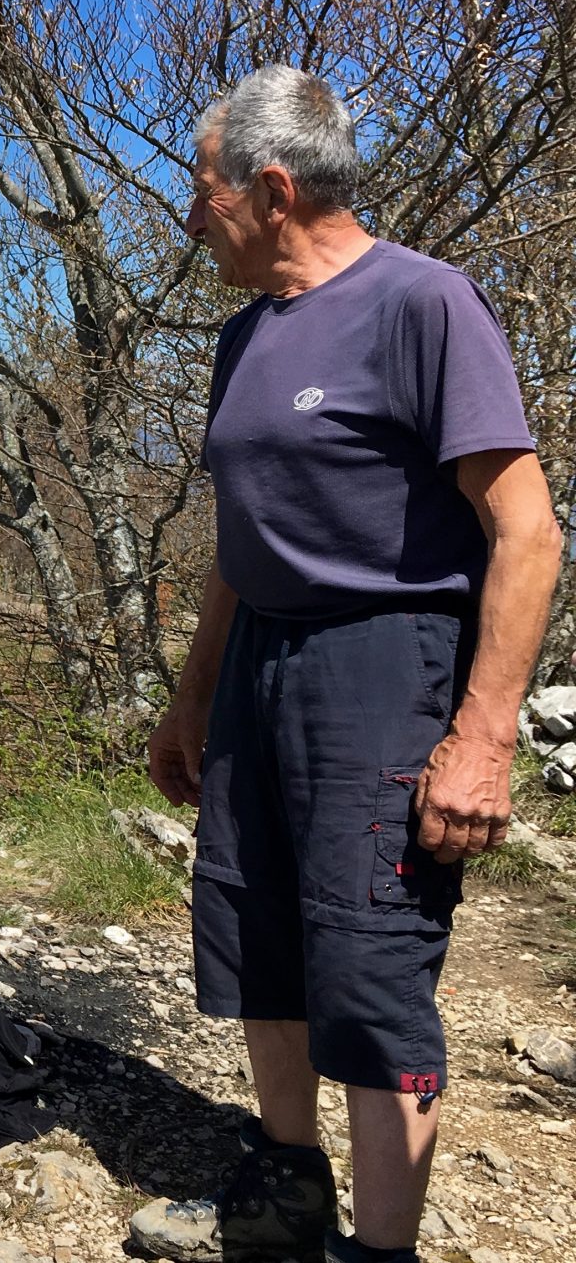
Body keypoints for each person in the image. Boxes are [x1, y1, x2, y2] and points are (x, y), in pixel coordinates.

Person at [132, 68, 563, 1263]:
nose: (188, 215)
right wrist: (192, 695)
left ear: (272, 189)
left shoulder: (421, 305)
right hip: (262, 662)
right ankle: (284, 1199)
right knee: (256, 935)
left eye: (201, 189)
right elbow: (241, 534)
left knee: (368, 963)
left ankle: (377, 1253)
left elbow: (525, 532)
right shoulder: (243, 337)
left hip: (384, 665)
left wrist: (480, 738)